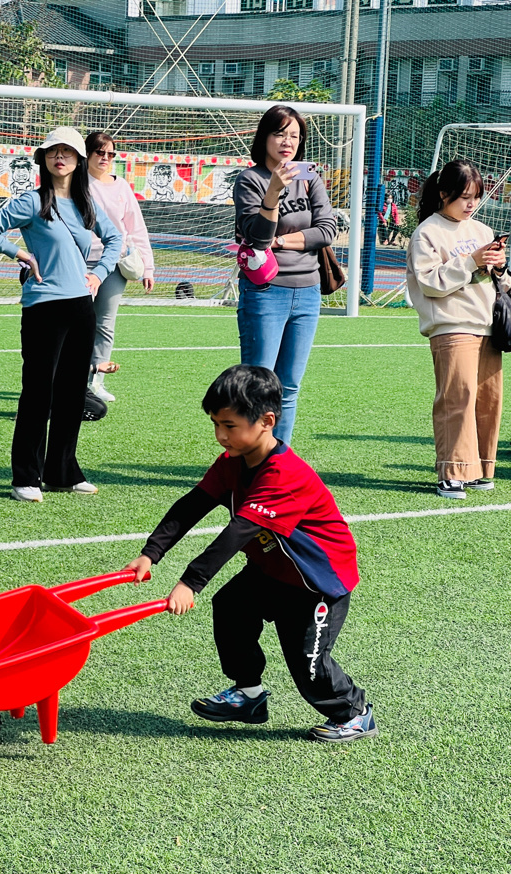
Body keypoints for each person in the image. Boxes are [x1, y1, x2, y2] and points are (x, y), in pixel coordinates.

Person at [125, 365, 377, 744]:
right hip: (271, 570)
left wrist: (190, 582)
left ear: (266, 421)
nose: (220, 435)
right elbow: (193, 504)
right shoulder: (232, 461)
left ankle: (354, 713)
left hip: (316, 583)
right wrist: (151, 553)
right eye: (215, 424)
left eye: (229, 426)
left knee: (306, 662)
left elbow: (238, 532)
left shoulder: (284, 475)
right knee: (230, 608)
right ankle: (248, 695)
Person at [0, 127, 121, 503]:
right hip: (43, 306)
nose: (60, 157)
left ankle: (62, 473)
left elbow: (116, 239)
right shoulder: (32, 201)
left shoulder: (86, 204)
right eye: (53, 151)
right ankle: (25, 476)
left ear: (79, 160)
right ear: (43, 158)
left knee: (72, 395)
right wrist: (21, 254)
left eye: (68, 152)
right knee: (38, 393)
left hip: (81, 307)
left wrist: (98, 274)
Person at [233, 104, 336, 446]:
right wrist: (274, 191)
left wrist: (282, 241)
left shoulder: (310, 178)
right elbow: (258, 238)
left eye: (294, 135)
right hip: (265, 292)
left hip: (307, 291)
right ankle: (250, 458)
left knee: (288, 387)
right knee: (257, 385)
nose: (287, 142)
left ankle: (278, 460)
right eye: (280, 134)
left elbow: (327, 230)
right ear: (264, 137)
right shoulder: (250, 180)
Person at [406, 158, 508, 500]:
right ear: (443, 193)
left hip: (487, 325)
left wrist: (499, 267)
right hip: (450, 326)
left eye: (476, 197)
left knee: (488, 401)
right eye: (464, 197)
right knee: (457, 400)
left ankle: (480, 469)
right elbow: (430, 283)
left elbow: (499, 283)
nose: (471, 204)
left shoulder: (481, 231)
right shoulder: (427, 232)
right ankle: (452, 472)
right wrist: (471, 261)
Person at [85, 131, 155, 402]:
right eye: (99, 152)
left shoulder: (122, 186)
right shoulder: (76, 183)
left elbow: (136, 227)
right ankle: (68, 380)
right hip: (80, 262)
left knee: (104, 323)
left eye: (110, 154)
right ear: (87, 154)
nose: (105, 158)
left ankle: (95, 383)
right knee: (77, 321)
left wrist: (147, 267)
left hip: (114, 263)